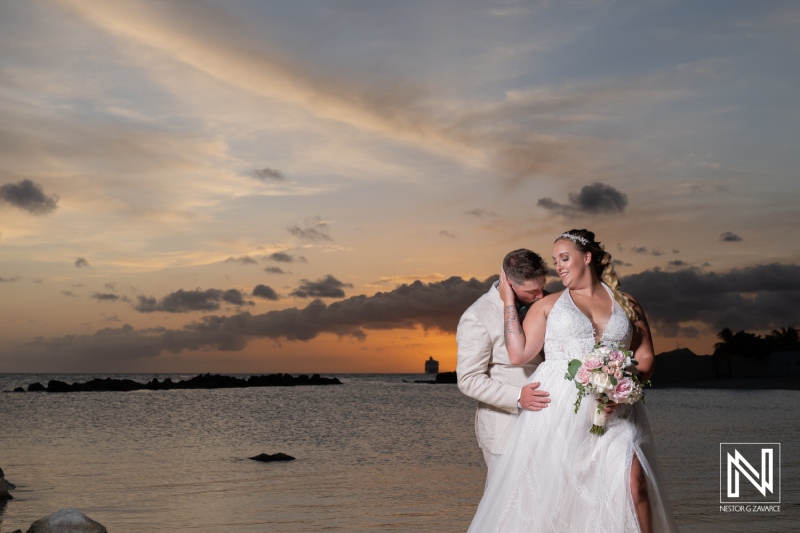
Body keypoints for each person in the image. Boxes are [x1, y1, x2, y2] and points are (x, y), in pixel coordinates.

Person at [466, 230, 678, 533]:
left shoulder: (626, 302)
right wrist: (508, 301)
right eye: (556, 261)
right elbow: (518, 353)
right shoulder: (548, 305)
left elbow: (646, 358)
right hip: (558, 412)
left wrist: (623, 381)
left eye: (564, 258)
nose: (559, 266)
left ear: (587, 258)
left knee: (634, 484)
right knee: (558, 497)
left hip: (614, 410)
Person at [456, 249, 551, 487]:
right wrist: (518, 396)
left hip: (550, 422)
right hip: (505, 428)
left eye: (543, 287)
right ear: (508, 282)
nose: (541, 296)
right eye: (531, 291)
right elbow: (468, 379)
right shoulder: (477, 315)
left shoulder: (548, 302)